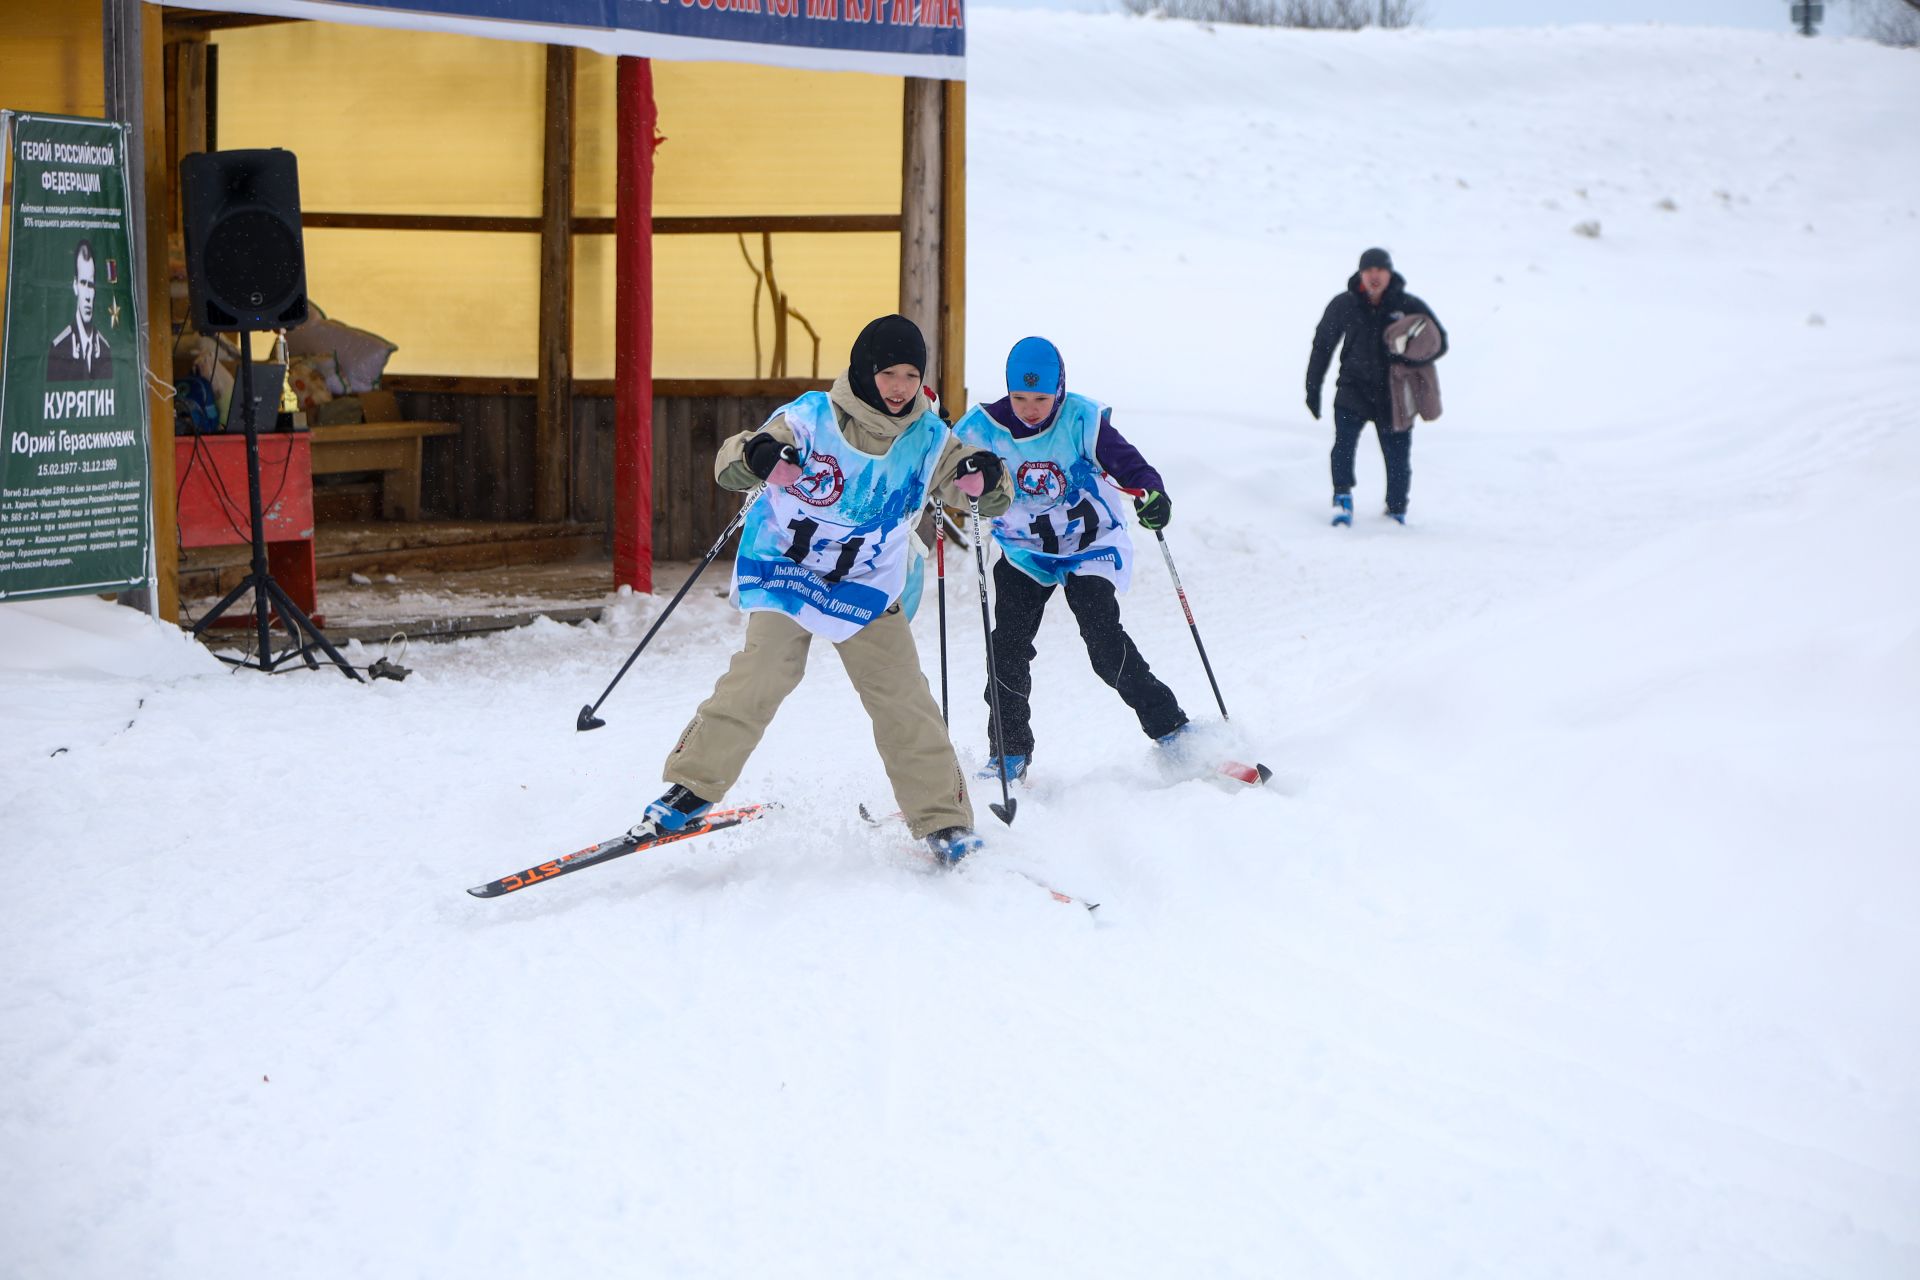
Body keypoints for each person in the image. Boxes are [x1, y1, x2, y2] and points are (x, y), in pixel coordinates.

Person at [639, 315, 1014, 863]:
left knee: (902, 698)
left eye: (911, 375)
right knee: (764, 673)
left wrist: (986, 476)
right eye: (889, 373)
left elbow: (985, 494)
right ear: (865, 371)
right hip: (788, 574)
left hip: (865, 585)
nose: (900, 387)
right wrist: (759, 458)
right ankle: (691, 788)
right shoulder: (811, 418)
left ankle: (945, 821)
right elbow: (731, 464)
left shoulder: (930, 438)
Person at [952, 336, 1189, 783]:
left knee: (1104, 644)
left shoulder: (1081, 419)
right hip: (1025, 551)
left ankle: (1172, 730)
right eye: (1019, 397)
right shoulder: (981, 429)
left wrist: (1152, 492)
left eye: (1041, 398)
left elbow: (1131, 466)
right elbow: (943, 467)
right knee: (1006, 647)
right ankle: (1008, 752)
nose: (1030, 408)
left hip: (1090, 546)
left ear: (1059, 389)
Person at [1305, 247, 1447, 526]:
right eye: (1368, 270)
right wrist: (1313, 387)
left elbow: (1438, 341)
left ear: (1389, 272)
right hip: (1352, 389)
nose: (1374, 276)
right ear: (1360, 273)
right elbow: (1322, 345)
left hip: (1393, 394)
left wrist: (1406, 353)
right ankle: (1342, 500)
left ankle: (1396, 509)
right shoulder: (1344, 304)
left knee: (1397, 456)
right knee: (1343, 446)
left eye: (1379, 270)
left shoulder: (1407, 304)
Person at [47, 239, 112, 383]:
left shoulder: (104, 350)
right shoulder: (59, 349)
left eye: (91, 285)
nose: (88, 296)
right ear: (75, 285)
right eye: (83, 283)